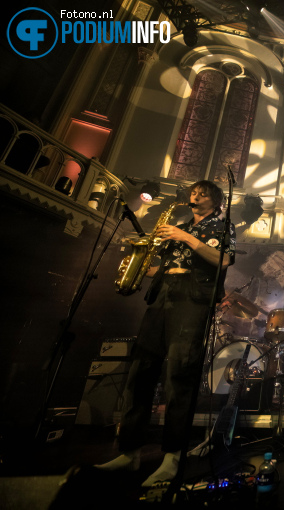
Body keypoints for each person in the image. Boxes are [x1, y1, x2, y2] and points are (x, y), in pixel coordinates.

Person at [96, 180, 236, 487]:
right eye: (193, 192)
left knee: (179, 376)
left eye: (202, 193)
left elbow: (223, 259)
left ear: (216, 201)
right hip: (163, 295)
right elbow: (163, 265)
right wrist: (138, 267)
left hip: (191, 298)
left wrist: (184, 236)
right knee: (140, 371)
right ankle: (129, 452)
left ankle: (173, 456)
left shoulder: (220, 226)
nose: (194, 196)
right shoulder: (181, 225)